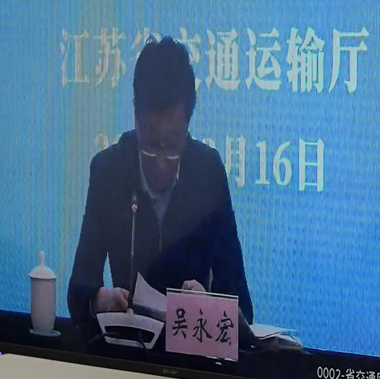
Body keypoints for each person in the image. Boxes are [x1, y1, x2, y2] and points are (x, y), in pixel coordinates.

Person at [67, 35, 254, 332]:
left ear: (189, 122)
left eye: (173, 145)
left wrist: (209, 305)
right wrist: (99, 299)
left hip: (191, 352)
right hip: (126, 349)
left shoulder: (207, 172)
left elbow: (242, 304)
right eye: (151, 145)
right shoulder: (109, 170)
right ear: (135, 114)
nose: (161, 161)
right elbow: (78, 290)